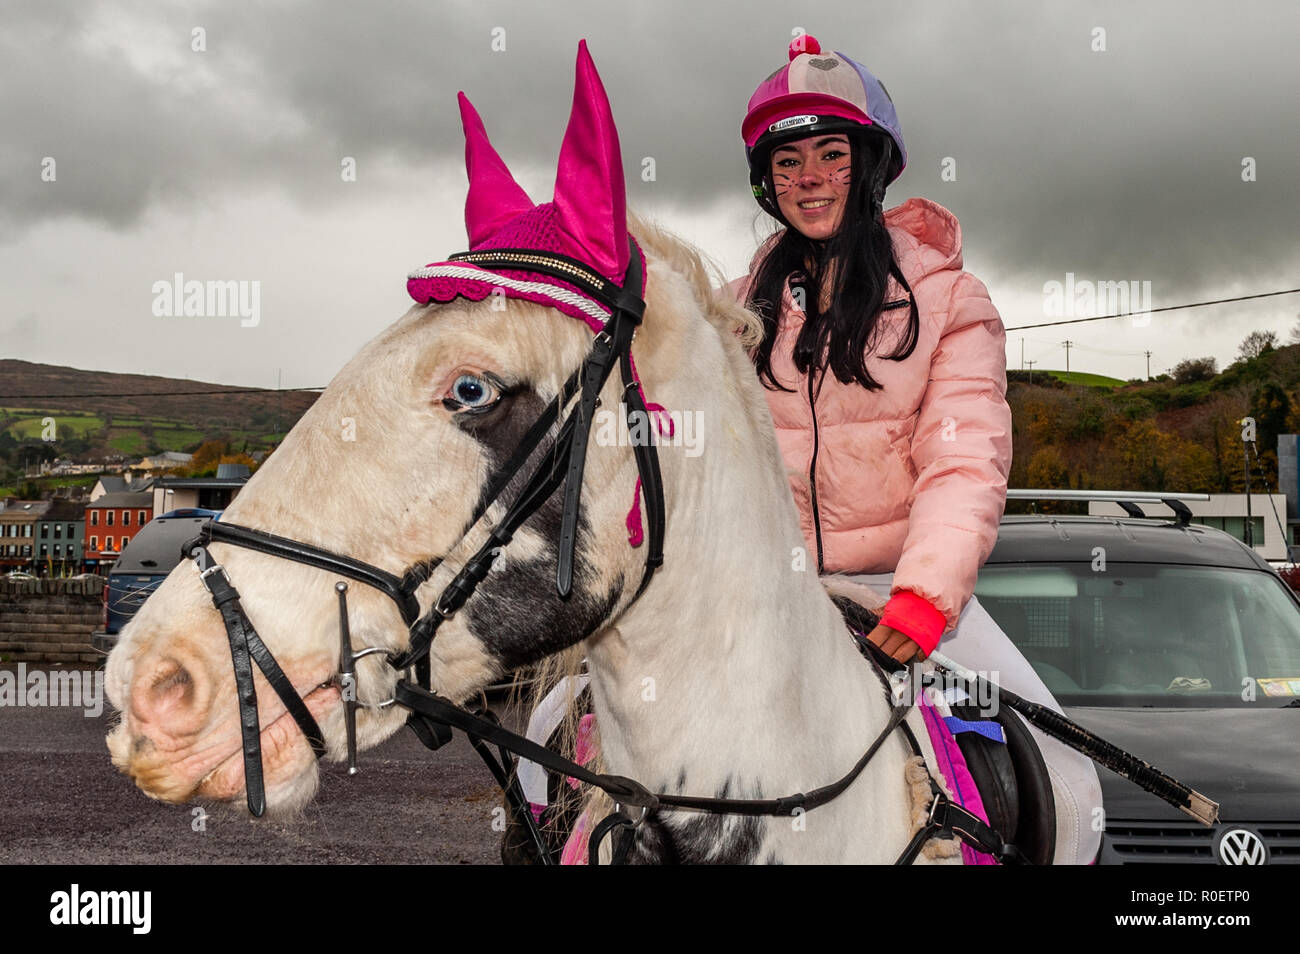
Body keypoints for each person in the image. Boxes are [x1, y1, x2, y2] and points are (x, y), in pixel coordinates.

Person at [726, 35, 1103, 864]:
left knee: (1072, 788)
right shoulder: (732, 311)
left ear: (870, 165)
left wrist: (925, 596)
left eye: (832, 153)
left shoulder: (951, 300)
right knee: (559, 735)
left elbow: (964, 461)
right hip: (764, 601)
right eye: (789, 162)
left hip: (897, 598)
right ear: (767, 180)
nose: (810, 178)